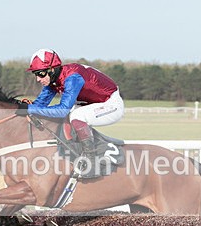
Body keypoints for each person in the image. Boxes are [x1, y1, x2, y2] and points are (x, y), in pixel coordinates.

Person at [16, 48, 124, 178]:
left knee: (76, 116)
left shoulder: (73, 78)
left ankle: (91, 161)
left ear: (52, 70)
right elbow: (39, 105)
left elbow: (62, 110)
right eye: (35, 74)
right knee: (67, 117)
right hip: (90, 104)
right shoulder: (53, 80)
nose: (38, 79)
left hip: (111, 104)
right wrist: (22, 107)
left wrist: (30, 109)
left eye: (40, 73)